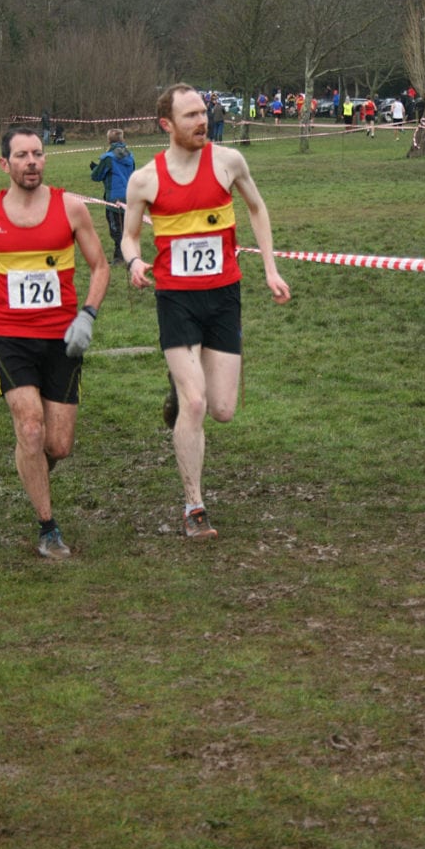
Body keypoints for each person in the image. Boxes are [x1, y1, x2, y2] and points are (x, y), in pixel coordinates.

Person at [121, 83, 291, 540]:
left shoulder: (229, 161)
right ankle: (194, 505)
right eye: (191, 115)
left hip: (223, 296)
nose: (202, 121)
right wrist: (134, 262)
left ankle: (180, 394)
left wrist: (270, 270)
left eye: (203, 112)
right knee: (196, 403)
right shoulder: (145, 179)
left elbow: (257, 208)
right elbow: (129, 236)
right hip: (176, 298)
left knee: (221, 409)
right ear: (167, 124)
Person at [0, 127, 110, 559]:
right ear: (5, 164)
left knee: (58, 446)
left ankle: (29, 459)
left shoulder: (71, 208)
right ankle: (48, 528)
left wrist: (88, 315)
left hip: (62, 339)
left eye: (38, 153)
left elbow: (100, 266)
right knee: (32, 428)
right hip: (11, 338)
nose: (32, 161)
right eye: (22, 155)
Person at [90, 127, 135, 265]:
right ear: (122, 139)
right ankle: (130, 252)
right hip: (129, 196)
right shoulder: (130, 156)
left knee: (116, 229)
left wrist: (95, 168)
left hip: (114, 199)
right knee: (126, 227)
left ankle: (120, 256)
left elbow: (96, 176)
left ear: (109, 140)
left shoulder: (108, 158)